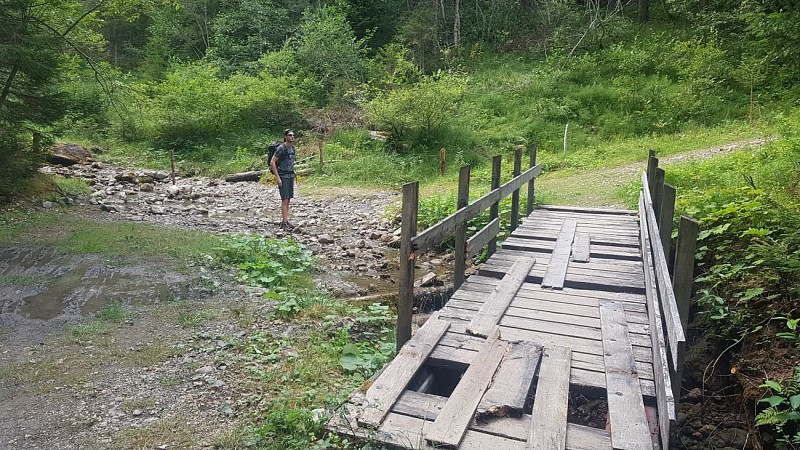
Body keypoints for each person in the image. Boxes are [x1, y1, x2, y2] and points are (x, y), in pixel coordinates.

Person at [271, 129, 297, 231]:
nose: (292, 137)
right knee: (284, 199)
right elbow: (273, 162)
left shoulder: (293, 148)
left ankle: (285, 221)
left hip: (290, 176)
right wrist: (278, 178)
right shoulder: (281, 148)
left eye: (293, 135)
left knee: (288, 199)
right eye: (290, 135)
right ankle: (284, 222)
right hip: (283, 176)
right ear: (285, 137)